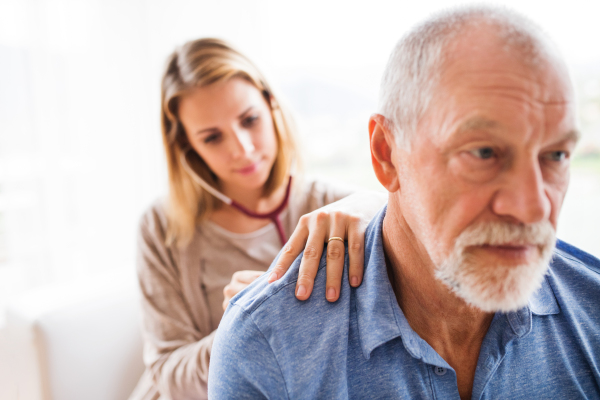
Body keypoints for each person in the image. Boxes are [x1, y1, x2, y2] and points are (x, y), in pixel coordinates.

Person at [209, 6, 600, 399]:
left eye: (556, 156)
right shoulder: (267, 344)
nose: (533, 208)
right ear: (385, 154)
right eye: (483, 153)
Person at [128, 39, 385, 400]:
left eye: (250, 120)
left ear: (272, 105)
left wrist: (375, 204)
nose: (243, 149)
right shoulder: (161, 227)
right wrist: (252, 320)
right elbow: (170, 377)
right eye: (212, 137)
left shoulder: (337, 205)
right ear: (187, 146)